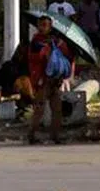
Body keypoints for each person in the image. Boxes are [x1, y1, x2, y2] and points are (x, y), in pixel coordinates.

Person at [27, 13, 74, 144]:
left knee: (57, 109)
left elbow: (65, 57)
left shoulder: (56, 42)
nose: (43, 28)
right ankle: (32, 134)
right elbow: (34, 59)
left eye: (45, 25)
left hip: (55, 80)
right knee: (39, 110)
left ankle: (55, 135)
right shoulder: (36, 42)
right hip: (42, 80)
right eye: (41, 25)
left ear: (50, 26)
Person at [0, 41, 33, 115]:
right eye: (20, 52)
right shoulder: (8, 66)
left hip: (27, 98)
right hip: (8, 95)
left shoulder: (31, 67)